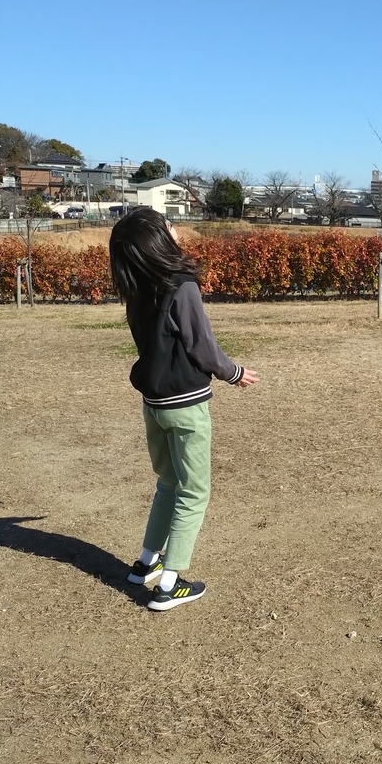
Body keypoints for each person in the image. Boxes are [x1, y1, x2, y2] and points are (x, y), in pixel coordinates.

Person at [108, 207, 259, 610]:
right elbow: (201, 344)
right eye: (169, 225)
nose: (176, 230)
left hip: (154, 404)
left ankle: (146, 563)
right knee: (193, 492)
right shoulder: (181, 284)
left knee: (168, 483)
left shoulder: (137, 286)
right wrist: (233, 373)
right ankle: (169, 584)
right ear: (158, 240)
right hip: (186, 405)